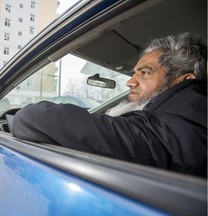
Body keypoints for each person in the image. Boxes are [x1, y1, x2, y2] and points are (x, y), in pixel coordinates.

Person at [12, 33, 207, 177]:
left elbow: (31, 118)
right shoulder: (186, 119)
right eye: (133, 73)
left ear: (183, 80)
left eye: (145, 72)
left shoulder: (176, 129)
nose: (130, 82)